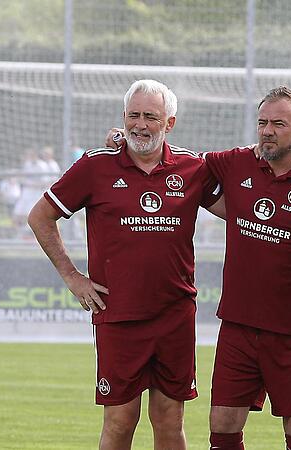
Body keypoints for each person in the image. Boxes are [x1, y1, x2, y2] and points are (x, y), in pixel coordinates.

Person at [28, 79, 219, 450]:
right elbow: (40, 216)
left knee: (169, 419)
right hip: (118, 315)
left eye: (151, 116)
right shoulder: (96, 166)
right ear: (123, 118)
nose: (141, 125)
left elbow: (241, 211)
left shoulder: (193, 168)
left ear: (170, 123)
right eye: (134, 115)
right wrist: (72, 276)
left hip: (175, 314)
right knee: (119, 421)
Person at [204, 87, 291, 450]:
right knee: (222, 427)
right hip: (239, 323)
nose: (267, 130)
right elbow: (179, 164)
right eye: (262, 122)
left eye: (278, 124)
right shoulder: (236, 163)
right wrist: (122, 141)